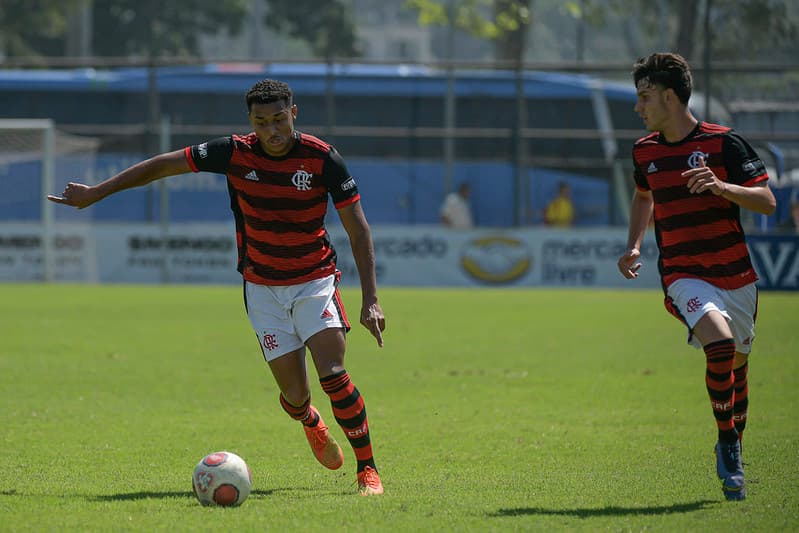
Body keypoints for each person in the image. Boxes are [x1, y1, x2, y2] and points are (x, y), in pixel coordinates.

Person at [48, 79, 387, 496]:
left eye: (279, 119)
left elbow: (359, 230)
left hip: (314, 280)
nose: (272, 130)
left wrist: (370, 299)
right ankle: (309, 421)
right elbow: (161, 165)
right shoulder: (233, 152)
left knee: (333, 373)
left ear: (293, 114)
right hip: (262, 288)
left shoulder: (322, 159)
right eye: (262, 122)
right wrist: (98, 192)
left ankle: (367, 469)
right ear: (251, 121)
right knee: (296, 396)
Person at [617, 53, 776, 501]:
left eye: (644, 97)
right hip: (684, 275)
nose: (639, 107)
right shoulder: (644, 151)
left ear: (669, 96)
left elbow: (767, 201)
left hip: (737, 276)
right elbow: (643, 196)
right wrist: (633, 245)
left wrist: (721, 187)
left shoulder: (725, 144)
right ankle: (728, 445)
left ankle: (734, 442)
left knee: (737, 364)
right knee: (720, 344)